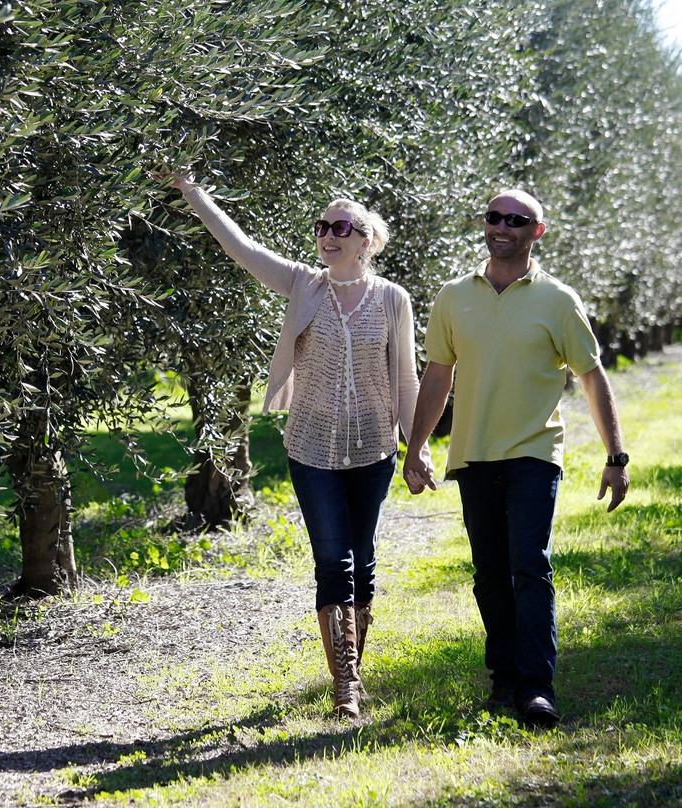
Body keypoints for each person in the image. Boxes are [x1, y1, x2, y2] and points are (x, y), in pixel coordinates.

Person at [167, 171, 429, 719]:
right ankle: (346, 683)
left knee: (364, 559)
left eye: (341, 227)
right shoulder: (303, 284)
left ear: (366, 240)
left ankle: (352, 666)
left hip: (374, 449)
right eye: (322, 226)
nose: (328, 235)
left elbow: (406, 379)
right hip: (311, 447)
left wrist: (417, 448)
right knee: (333, 558)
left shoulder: (393, 299)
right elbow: (240, 247)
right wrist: (192, 191)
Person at [402, 189, 629, 729]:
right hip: (472, 454)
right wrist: (415, 448)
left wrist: (616, 456)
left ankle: (535, 688)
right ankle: (503, 677)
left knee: (530, 565)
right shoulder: (453, 296)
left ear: (537, 231)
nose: (502, 227)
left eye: (516, 220)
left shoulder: (558, 299)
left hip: (535, 451)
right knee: (489, 573)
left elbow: (591, 376)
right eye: (494, 217)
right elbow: (438, 375)